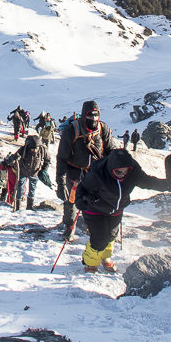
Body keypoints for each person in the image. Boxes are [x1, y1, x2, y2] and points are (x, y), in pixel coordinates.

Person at [75, 149, 168, 272]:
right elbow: (83, 186)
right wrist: (80, 200)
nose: (122, 174)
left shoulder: (133, 171)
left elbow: (148, 182)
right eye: (118, 172)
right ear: (111, 168)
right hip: (95, 209)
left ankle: (104, 257)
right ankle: (90, 263)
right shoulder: (98, 173)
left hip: (116, 209)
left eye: (125, 171)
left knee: (112, 235)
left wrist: (168, 185)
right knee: (100, 238)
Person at [55, 100, 116, 240]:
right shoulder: (72, 131)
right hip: (74, 173)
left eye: (96, 115)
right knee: (72, 202)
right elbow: (62, 158)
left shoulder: (103, 129)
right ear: (84, 115)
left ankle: (94, 231)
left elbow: (111, 151)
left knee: (96, 203)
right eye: (90, 115)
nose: (93, 119)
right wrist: (61, 182)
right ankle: (69, 228)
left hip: (96, 174)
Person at [6, 135, 51, 210]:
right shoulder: (25, 149)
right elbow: (15, 156)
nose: (34, 150)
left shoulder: (42, 150)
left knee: (32, 189)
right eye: (32, 149)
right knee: (20, 188)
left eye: (35, 149)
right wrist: (9, 161)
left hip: (35, 172)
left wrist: (44, 169)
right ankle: (17, 206)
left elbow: (48, 160)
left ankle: (29, 207)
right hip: (23, 171)